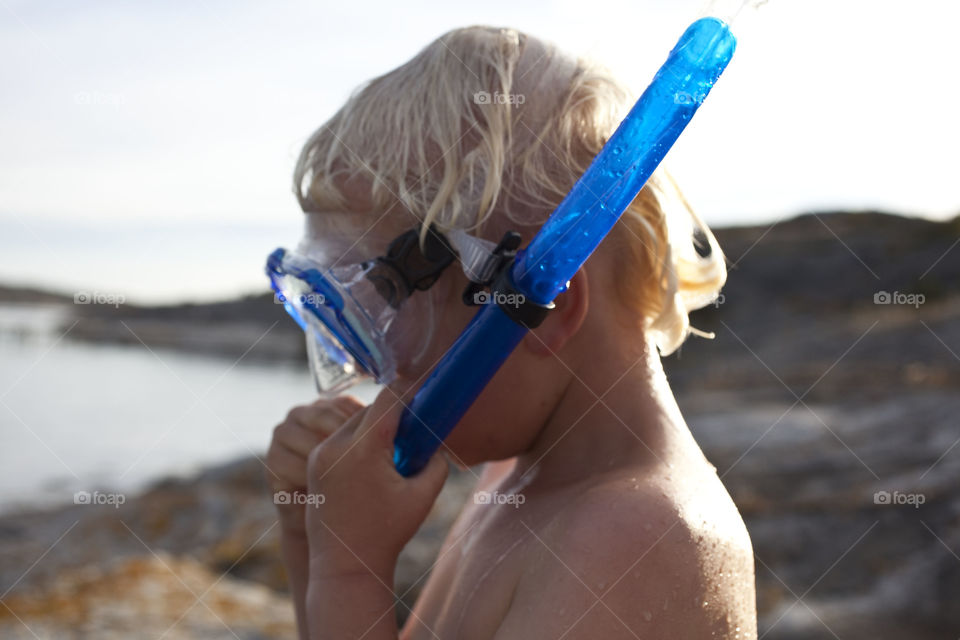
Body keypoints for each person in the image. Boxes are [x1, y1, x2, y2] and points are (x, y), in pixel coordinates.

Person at [265, 25, 757, 640]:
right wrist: (312, 535)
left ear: (543, 309)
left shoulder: (637, 535)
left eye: (387, 320)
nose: (366, 371)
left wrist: (347, 574)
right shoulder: (512, 487)